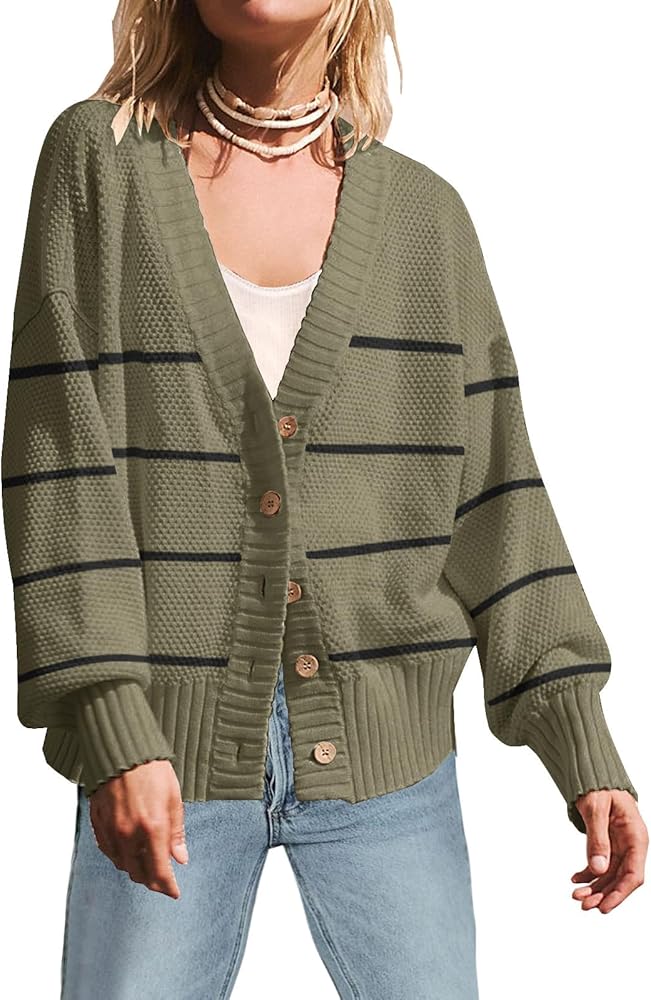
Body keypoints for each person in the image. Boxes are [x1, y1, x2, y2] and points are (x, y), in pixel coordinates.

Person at [2, 2, 646, 998]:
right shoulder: (102, 160)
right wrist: (113, 719)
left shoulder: (426, 217)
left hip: (392, 764)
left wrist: (579, 740)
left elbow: (496, 493)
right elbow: (59, 455)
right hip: (160, 752)